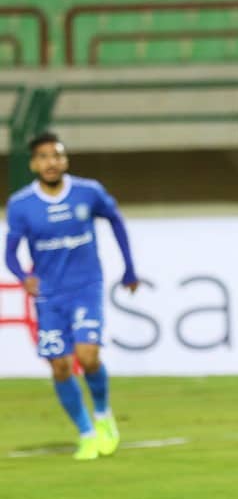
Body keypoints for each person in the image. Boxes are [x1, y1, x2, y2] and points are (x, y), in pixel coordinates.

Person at [4, 132, 138, 460]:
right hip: (49, 296)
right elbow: (10, 253)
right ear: (34, 164)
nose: (51, 162)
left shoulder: (88, 192)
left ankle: (103, 415)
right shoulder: (22, 204)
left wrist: (129, 268)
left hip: (85, 287)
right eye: (44, 157)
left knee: (88, 356)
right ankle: (86, 433)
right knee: (60, 367)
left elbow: (116, 221)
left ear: (65, 160)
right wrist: (23, 277)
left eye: (57, 155)